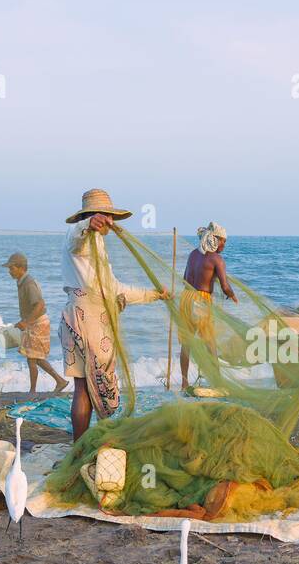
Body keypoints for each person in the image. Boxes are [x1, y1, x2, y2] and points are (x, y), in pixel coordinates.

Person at [58, 188, 168, 442]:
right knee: (91, 387)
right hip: (89, 321)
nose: (108, 221)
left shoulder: (97, 245)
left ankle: (81, 445)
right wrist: (87, 225)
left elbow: (116, 288)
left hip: (74, 318)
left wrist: (154, 294)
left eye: (108, 216)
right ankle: (85, 445)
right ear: (91, 216)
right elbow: (76, 240)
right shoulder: (81, 237)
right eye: (103, 216)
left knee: (84, 388)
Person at [179, 221, 238, 390]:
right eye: (223, 241)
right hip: (202, 301)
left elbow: (184, 278)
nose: (224, 245)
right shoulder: (217, 259)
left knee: (187, 342)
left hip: (186, 297)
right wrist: (232, 296)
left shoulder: (192, 254)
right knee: (210, 343)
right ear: (214, 239)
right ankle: (218, 382)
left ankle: (184, 383)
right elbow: (225, 286)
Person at [3, 252, 68, 394]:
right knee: (33, 358)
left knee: (33, 358)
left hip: (37, 323)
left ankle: (35, 390)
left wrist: (26, 322)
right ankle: (56, 382)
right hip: (33, 322)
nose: (9, 271)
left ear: (21, 268)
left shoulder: (28, 283)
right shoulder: (22, 282)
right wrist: (24, 321)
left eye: (11, 268)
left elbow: (40, 305)